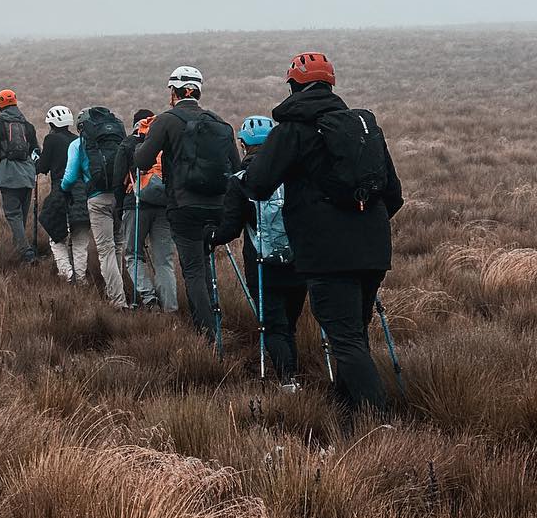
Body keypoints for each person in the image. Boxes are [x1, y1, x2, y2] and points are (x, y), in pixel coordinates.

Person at [239, 52, 403, 416]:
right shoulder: (362, 127)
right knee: (354, 334)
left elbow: (259, 184)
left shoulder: (293, 129)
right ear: (330, 85)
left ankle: (380, 421)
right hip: (374, 249)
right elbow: (393, 195)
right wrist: (362, 227)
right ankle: (346, 411)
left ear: (294, 87)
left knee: (344, 338)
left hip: (326, 254)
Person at [132, 67, 239, 340]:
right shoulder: (219, 122)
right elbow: (236, 167)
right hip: (217, 206)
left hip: (184, 206)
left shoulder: (166, 120)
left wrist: (140, 142)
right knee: (205, 263)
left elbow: (143, 161)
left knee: (193, 270)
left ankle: (207, 335)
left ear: (174, 92)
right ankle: (214, 323)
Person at [207, 115, 307, 387]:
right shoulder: (295, 177)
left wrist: (210, 237)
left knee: (273, 326)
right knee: (290, 324)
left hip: (262, 264)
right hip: (299, 263)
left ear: (243, 145)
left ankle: (288, 381)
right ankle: (295, 376)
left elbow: (230, 229)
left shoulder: (240, 181)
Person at [112, 110, 179, 312]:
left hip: (136, 204)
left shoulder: (128, 144)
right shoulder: (165, 142)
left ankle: (150, 299)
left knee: (133, 255)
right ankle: (170, 309)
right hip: (163, 205)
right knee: (164, 261)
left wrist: (119, 207)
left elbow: (118, 179)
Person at [67, 104, 129, 305]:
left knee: (106, 250)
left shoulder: (79, 143)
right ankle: (121, 291)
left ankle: (118, 300)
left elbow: (70, 176)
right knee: (118, 245)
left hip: (97, 199)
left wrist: (65, 189)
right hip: (120, 196)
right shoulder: (117, 135)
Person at [0, 91, 39, 262]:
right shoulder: (28, 126)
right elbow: (36, 151)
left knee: (13, 215)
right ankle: (20, 252)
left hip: (9, 175)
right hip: (28, 175)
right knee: (21, 216)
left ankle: (26, 252)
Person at [37, 106, 89, 283]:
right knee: (80, 241)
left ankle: (67, 276)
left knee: (57, 238)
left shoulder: (51, 139)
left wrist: (36, 159)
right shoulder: (78, 140)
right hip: (83, 193)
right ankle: (81, 281)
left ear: (52, 123)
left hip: (62, 193)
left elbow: (42, 167)